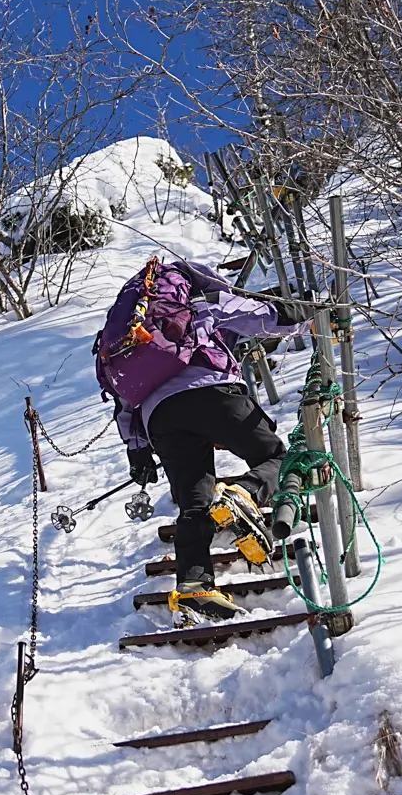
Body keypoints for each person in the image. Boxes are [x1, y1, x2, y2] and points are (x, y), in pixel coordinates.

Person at [94, 256, 308, 623]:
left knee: (194, 502)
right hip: (212, 391)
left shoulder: (133, 329)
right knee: (276, 457)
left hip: (160, 417)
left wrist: (138, 450)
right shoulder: (198, 300)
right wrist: (304, 315)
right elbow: (256, 316)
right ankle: (245, 494)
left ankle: (194, 584)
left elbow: (124, 399)